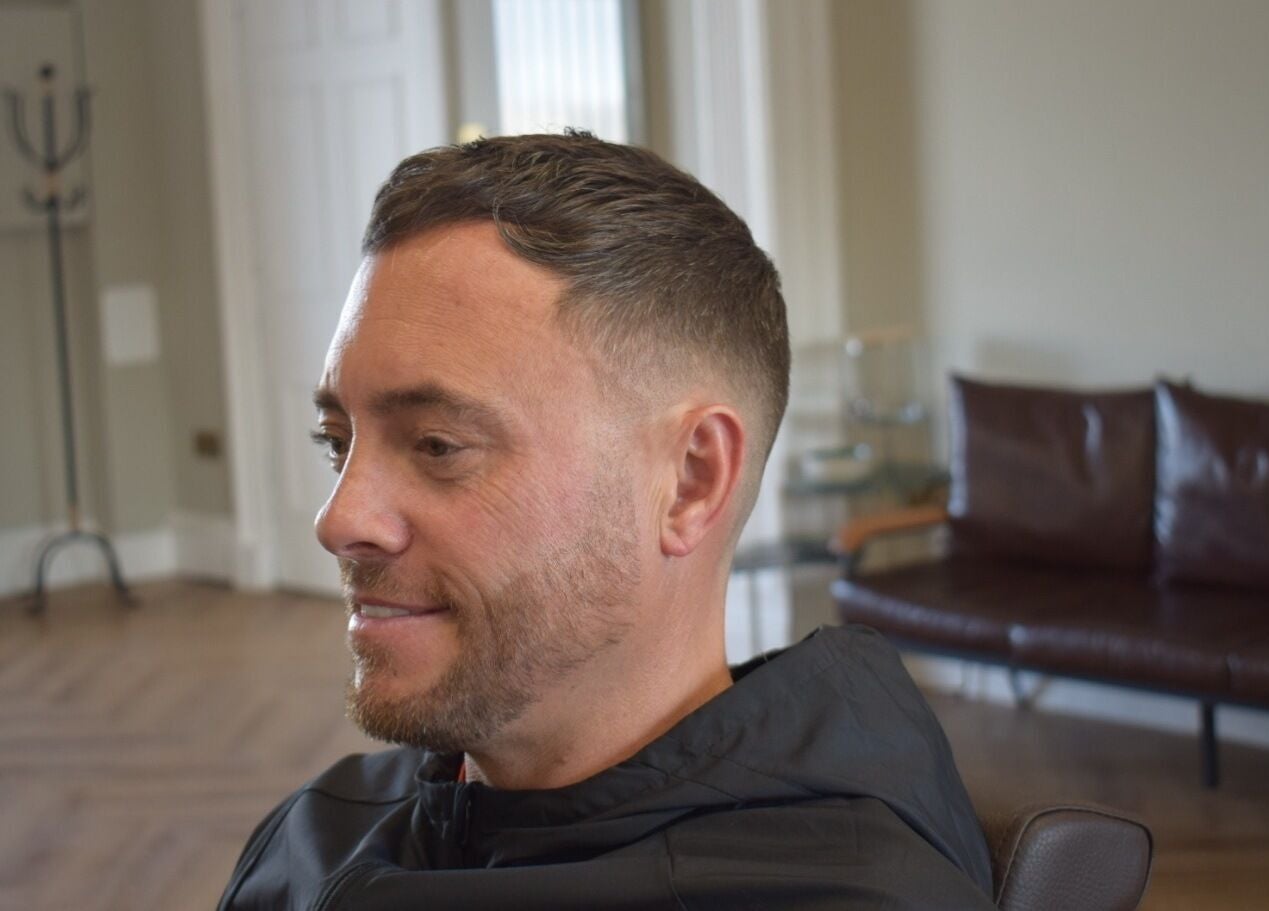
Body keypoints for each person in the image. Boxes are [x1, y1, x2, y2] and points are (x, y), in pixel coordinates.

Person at [218, 132, 994, 910]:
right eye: (337, 443)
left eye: (437, 445)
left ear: (690, 481)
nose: (338, 517)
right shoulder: (318, 830)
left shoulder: (835, 891)